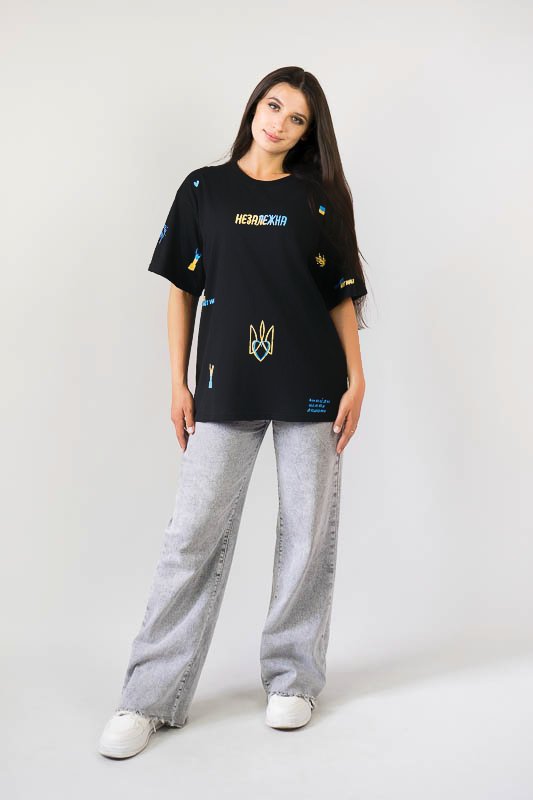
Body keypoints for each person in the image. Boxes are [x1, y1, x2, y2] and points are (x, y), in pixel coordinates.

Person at [98, 65, 370, 759]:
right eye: (273, 106)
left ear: (307, 133)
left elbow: (340, 294)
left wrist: (357, 377)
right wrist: (177, 382)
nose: (279, 123)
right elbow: (181, 290)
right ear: (255, 107)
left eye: (297, 118)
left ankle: (293, 679)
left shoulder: (318, 200)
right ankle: (148, 696)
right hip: (224, 382)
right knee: (191, 534)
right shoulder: (203, 190)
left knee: (306, 533)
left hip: (311, 381)